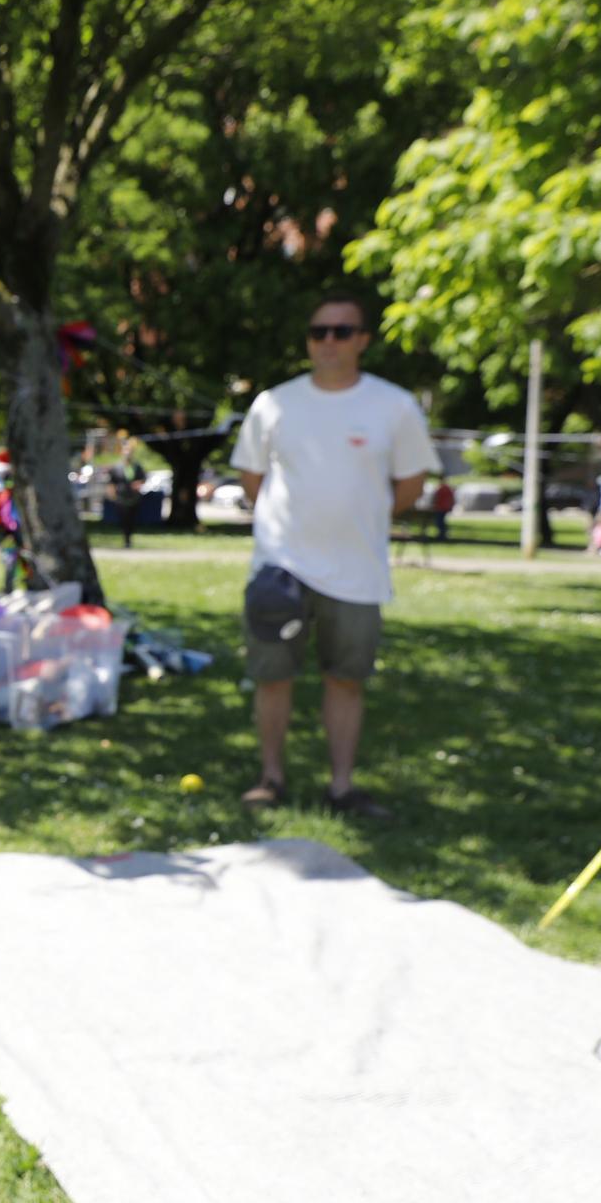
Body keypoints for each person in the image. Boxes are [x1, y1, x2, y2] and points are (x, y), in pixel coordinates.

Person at [230, 292, 437, 817]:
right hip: (280, 569)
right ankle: (270, 778)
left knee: (346, 680)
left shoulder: (394, 406)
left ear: (362, 340)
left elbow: (410, 486)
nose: (328, 341)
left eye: (341, 332)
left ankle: (341, 786)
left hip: (357, 572)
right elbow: (252, 479)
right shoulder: (273, 403)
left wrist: (360, 518)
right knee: (272, 677)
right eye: (318, 331)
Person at [109, 430, 147, 548]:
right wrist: (112, 494)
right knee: (123, 519)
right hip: (121, 496)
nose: (128, 453)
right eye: (126, 451)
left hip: (134, 497)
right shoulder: (117, 467)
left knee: (132, 519)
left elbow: (143, 479)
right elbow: (112, 482)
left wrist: (139, 483)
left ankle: (129, 539)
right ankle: (126, 539)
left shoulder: (137, 467)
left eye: (129, 451)